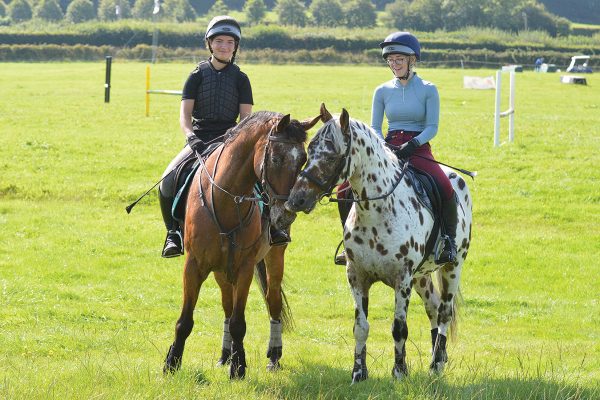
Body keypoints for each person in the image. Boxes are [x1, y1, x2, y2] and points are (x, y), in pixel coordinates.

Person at [158, 15, 289, 258]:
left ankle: (272, 228)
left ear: (236, 46)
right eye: (219, 41)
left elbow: (246, 119)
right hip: (199, 139)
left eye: (230, 42)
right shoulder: (196, 75)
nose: (225, 46)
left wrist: (234, 141)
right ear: (209, 43)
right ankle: (173, 234)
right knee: (169, 178)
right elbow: (184, 115)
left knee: (262, 178)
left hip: (230, 140)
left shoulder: (241, 79)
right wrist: (190, 137)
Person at [335, 31, 457, 266]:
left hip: (418, 147)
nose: (394, 64)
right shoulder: (381, 91)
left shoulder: (428, 89)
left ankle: (448, 241)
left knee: (444, 187)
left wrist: (412, 145)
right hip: (387, 146)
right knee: (343, 189)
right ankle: (348, 242)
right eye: (391, 60)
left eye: (399, 59)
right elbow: (374, 126)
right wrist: (383, 146)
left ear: (412, 60)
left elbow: (432, 127)